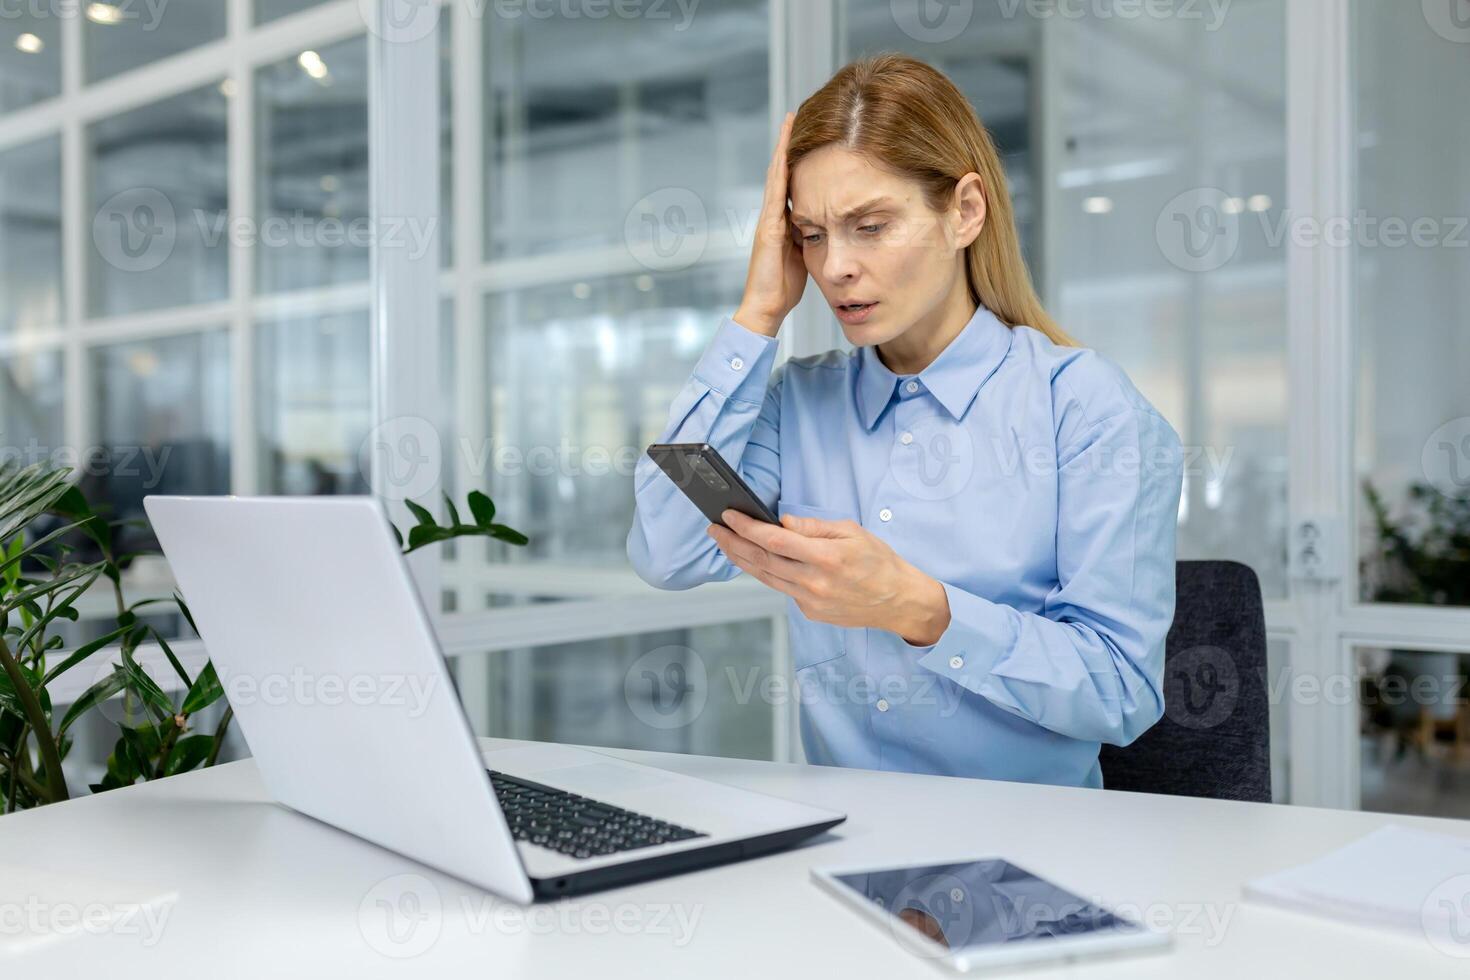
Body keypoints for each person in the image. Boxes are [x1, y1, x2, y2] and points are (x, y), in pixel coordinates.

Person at [627, 54, 1183, 789]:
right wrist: (758, 313)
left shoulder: (1085, 409)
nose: (834, 269)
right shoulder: (799, 403)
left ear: (965, 212)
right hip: (843, 853)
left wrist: (921, 609)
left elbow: (1122, 691)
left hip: (1028, 856)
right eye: (812, 235)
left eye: (870, 226)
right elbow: (666, 551)